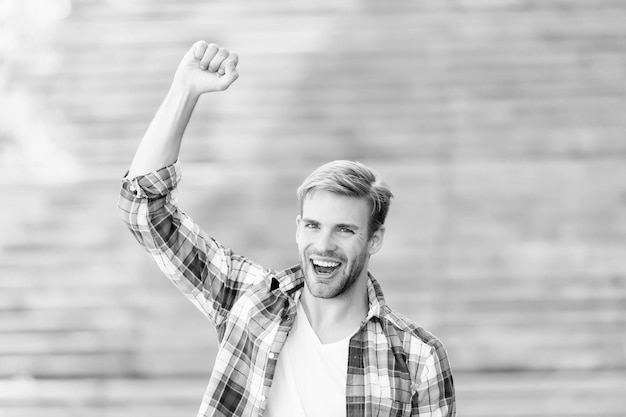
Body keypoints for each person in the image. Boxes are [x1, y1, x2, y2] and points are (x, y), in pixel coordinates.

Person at [118, 40, 456, 417]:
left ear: (374, 239)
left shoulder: (416, 358)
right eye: (313, 226)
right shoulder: (250, 301)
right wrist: (184, 91)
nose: (323, 245)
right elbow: (144, 211)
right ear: (298, 229)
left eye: (344, 230)